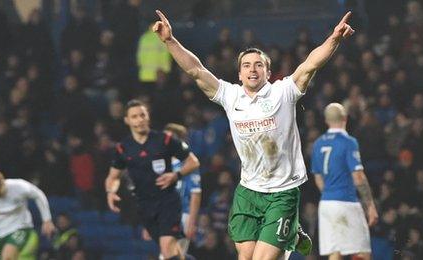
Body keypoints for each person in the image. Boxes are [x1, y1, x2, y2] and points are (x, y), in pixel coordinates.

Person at [152, 8, 355, 260]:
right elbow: (196, 70)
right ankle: (291, 232)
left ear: (268, 73)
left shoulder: (283, 92)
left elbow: (310, 64)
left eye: (259, 65)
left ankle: (288, 228)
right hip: (248, 191)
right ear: (239, 74)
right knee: (245, 256)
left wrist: (334, 38)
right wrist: (170, 41)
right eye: (246, 65)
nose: (252, 69)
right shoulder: (230, 96)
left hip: (282, 191)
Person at [105, 100, 201, 260]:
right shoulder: (123, 148)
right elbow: (113, 177)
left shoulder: (164, 140)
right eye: (134, 116)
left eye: (142, 115)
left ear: (148, 117)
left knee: (167, 248)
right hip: (145, 206)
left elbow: (193, 161)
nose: (139, 119)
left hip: (168, 202)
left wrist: (176, 175)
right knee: (173, 251)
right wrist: (111, 191)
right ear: (127, 120)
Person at [311, 103, 378, 259]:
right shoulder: (348, 142)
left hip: (327, 204)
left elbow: (318, 177)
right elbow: (358, 176)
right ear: (345, 118)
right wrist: (370, 205)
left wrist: (330, 194)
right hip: (346, 202)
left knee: (336, 252)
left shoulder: (318, 143)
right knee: (362, 251)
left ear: (326, 121)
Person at [0, 170, 56, 260]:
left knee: (7, 257)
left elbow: (38, 195)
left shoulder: (18, 186)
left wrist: (47, 220)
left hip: (20, 228)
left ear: (3, 182)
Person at [164, 123, 202, 255]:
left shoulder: (188, 164)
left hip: (182, 215)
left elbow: (195, 194)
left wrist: (191, 221)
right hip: (166, 215)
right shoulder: (162, 163)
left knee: (170, 254)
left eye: (171, 138)